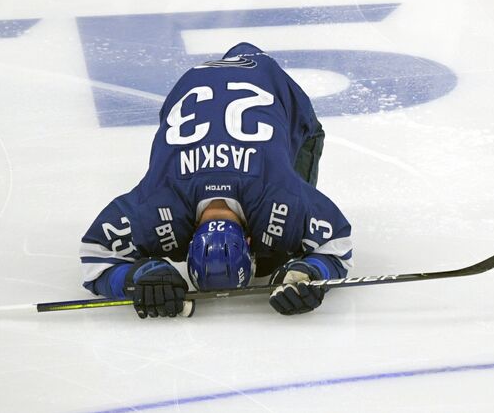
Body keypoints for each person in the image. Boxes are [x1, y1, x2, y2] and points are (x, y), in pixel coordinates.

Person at [79, 43, 354, 316]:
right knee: (286, 240)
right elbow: (94, 256)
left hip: (277, 88)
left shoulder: (280, 195)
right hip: (195, 83)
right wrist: (139, 276)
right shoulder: (157, 202)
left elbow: (338, 246)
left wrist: (305, 270)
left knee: (283, 255)